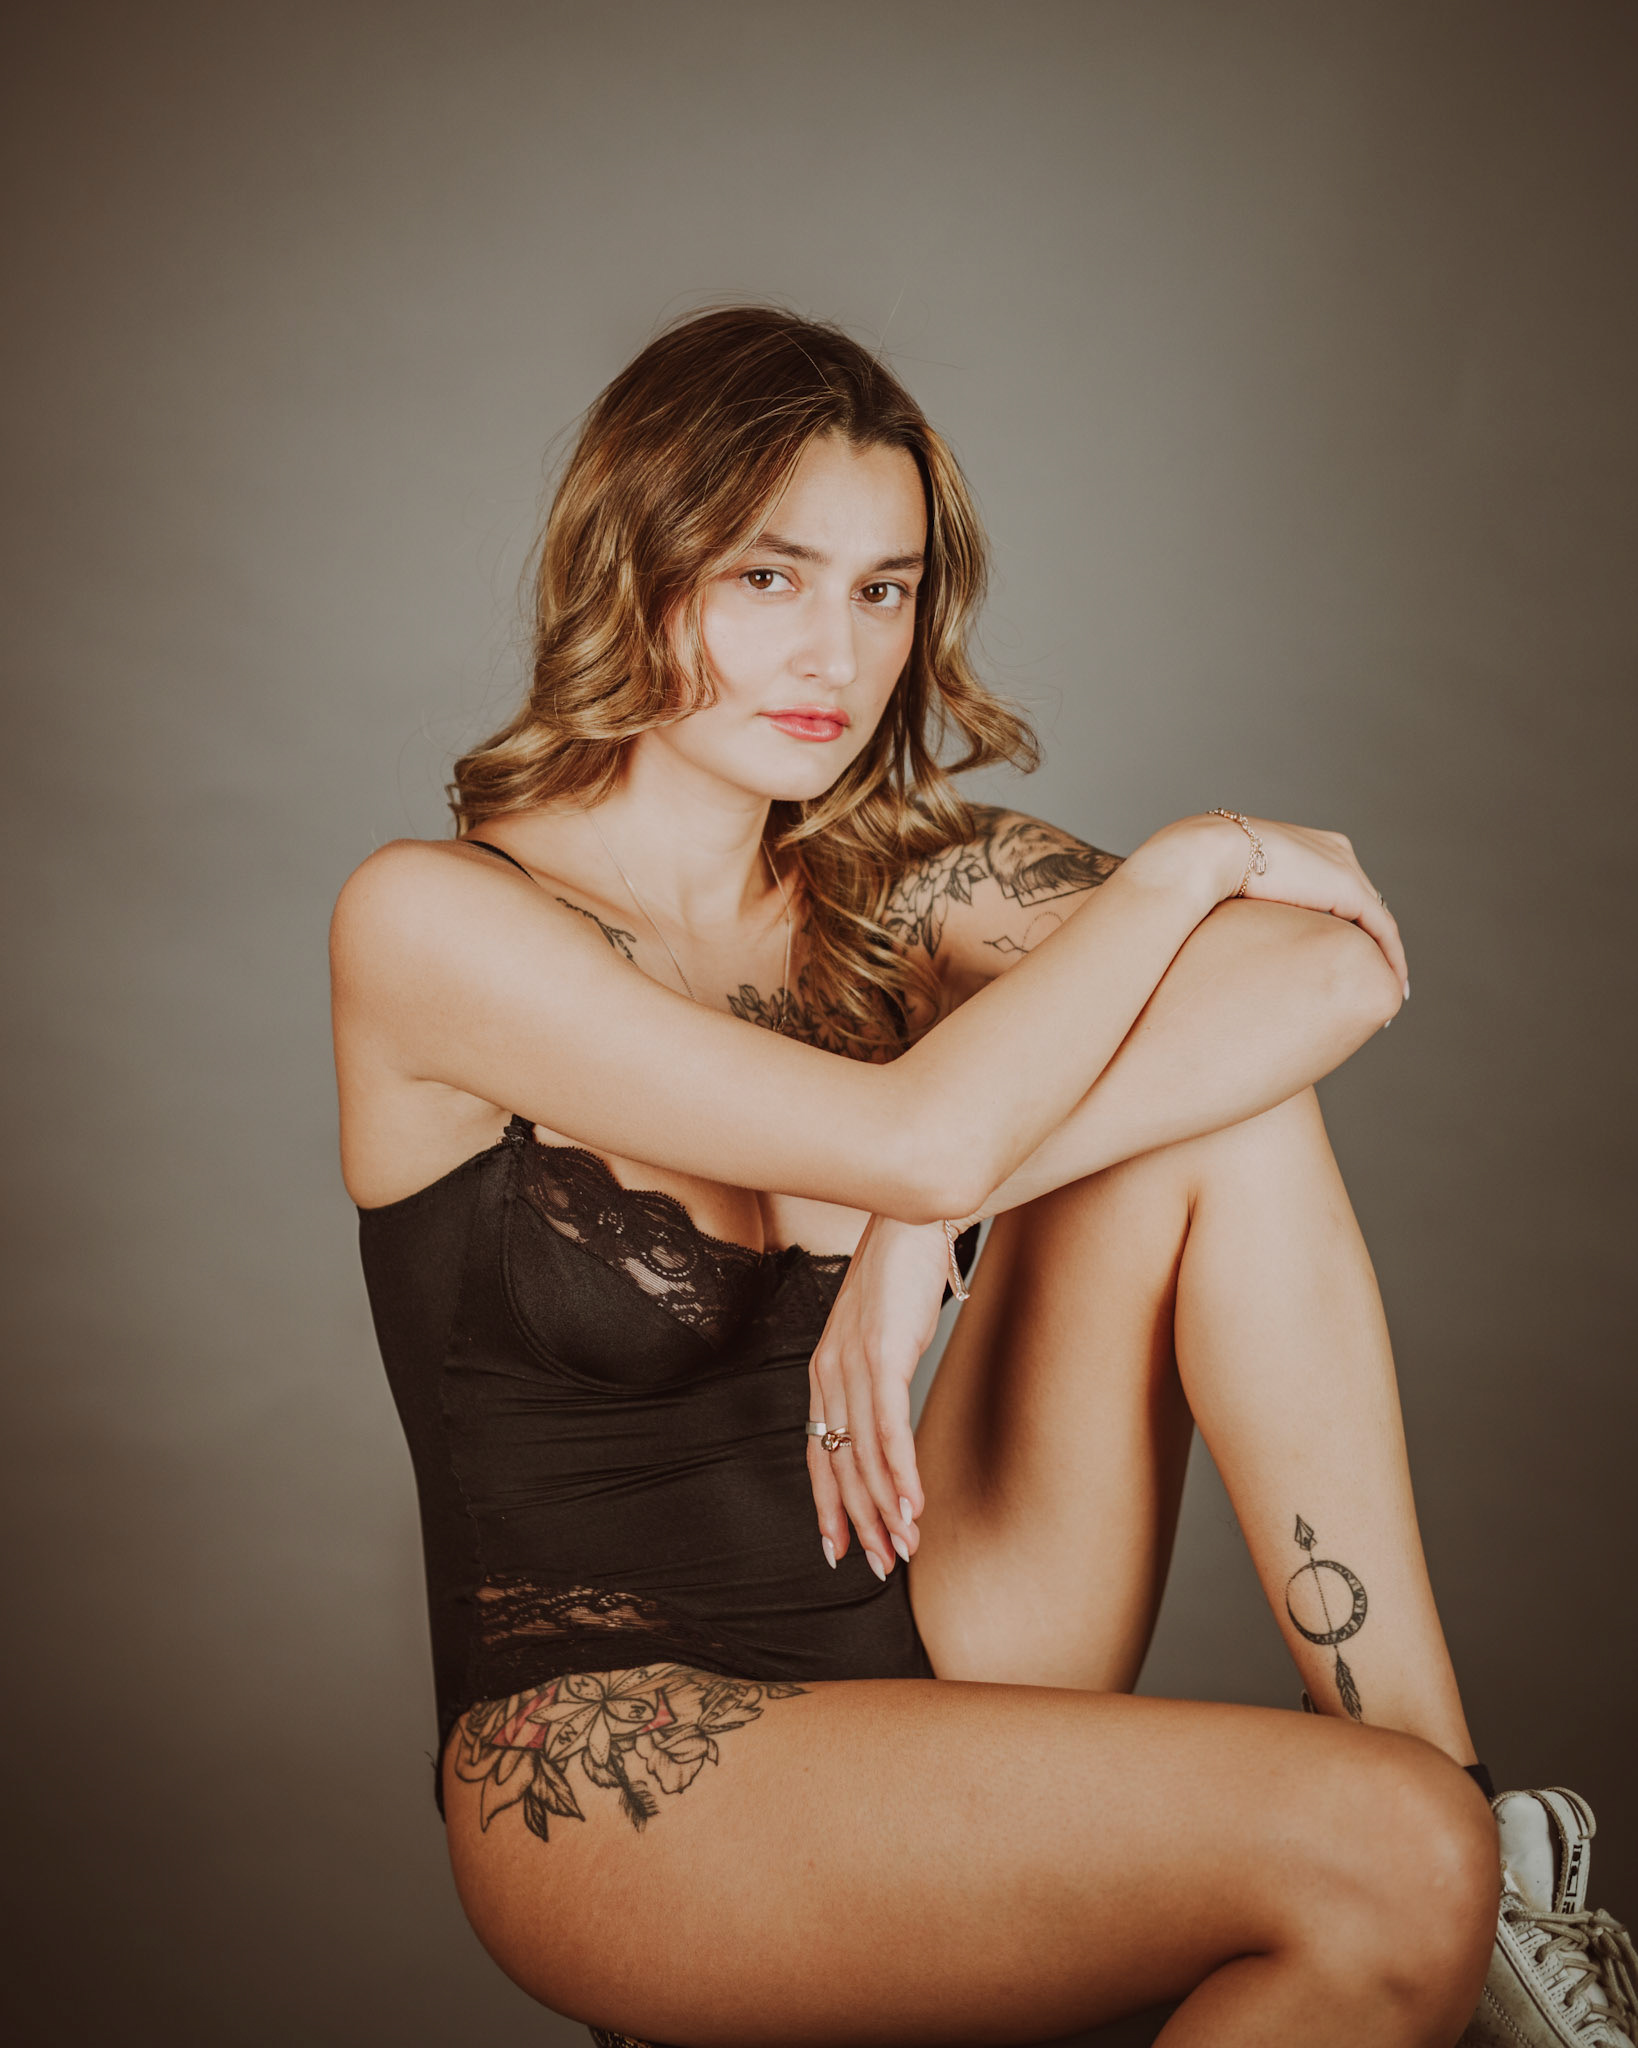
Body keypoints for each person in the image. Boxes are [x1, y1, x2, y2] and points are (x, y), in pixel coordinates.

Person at [329, 307, 1635, 2048]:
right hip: (612, 1755)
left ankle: (1483, 1830)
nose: (837, 651)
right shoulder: (434, 922)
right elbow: (926, 1138)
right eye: (769, 577)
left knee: (1223, 1101)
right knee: (1382, 1859)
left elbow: (1329, 972)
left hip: (929, 1610)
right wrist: (1181, 868)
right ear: (633, 570)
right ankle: (1446, 1848)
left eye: (883, 590)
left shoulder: (892, 887)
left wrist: (925, 1225)